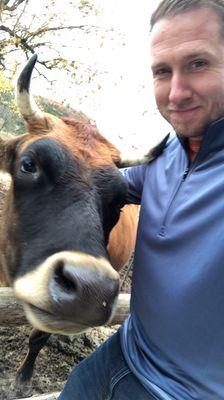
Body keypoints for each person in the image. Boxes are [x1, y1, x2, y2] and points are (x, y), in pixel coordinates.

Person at [58, 1, 224, 399]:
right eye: (162, 71)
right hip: (121, 353)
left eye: (198, 63)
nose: (177, 92)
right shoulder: (165, 152)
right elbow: (106, 182)